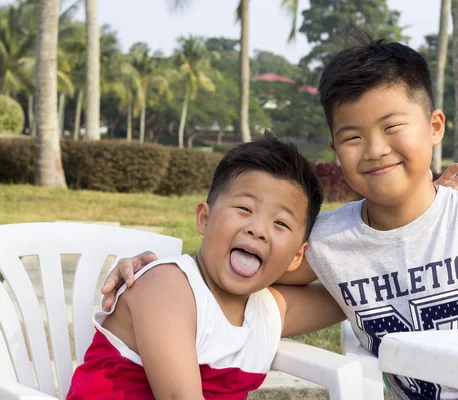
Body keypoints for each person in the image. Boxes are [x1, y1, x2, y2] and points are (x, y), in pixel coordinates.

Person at [101, 39, 458, 400]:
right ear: (334, 150)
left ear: (434, 127)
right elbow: (231, 283)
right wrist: (149, 271)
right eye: (352, 136)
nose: (375, 149)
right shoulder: (328, 244)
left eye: (393, 127)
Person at [67, 135, 346, 400]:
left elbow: (351, 296)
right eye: (245, 209)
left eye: (281, 223)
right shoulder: (167, 286)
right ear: (203, 218)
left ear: (297, 256)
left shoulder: (266, 311)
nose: (258, 230)